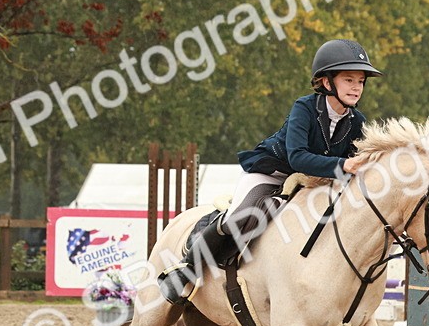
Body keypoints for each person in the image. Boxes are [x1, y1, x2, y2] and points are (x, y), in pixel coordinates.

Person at [158, 39, 383, 305]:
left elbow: (355, 162)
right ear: (326, 82)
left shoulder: (358, 122)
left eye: (360, 81)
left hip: (315, 183)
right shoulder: (305, 108)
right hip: (272, 172)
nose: (357, 87)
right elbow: (297, 157)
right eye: (349, 79)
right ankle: (184, 270)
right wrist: (342, 165)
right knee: (240, 217)